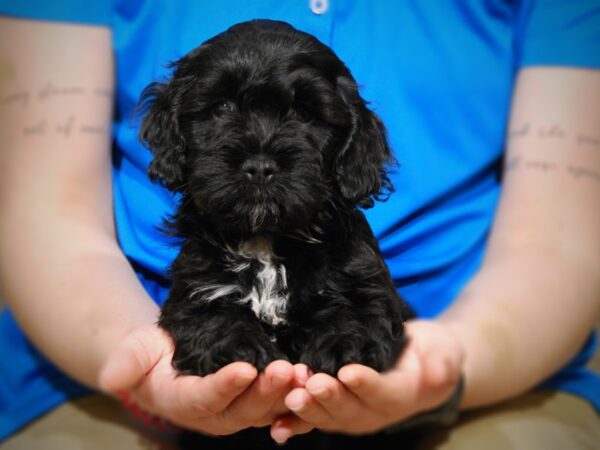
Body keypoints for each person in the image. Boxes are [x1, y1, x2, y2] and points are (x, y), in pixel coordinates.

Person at [0, 1, 599, 449]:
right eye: (223, 111)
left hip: (459, 386)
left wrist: (438, 366)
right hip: (104, 377)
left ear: (348, 148)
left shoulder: (347, 263)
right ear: (176, 134)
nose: (260, 155)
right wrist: (144, 358)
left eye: (305, 117)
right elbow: (43, 210)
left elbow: (557, 246)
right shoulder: (204, 263)